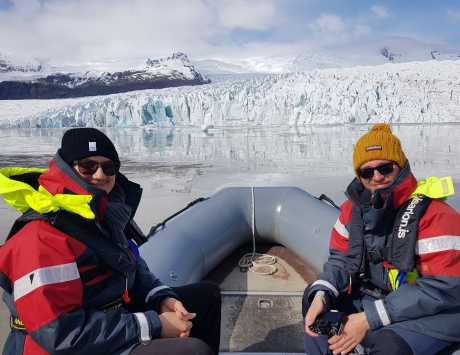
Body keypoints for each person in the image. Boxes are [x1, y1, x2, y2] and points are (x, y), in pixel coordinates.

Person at [0, 128, 221, 355]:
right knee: (192, 351)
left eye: (108, 167)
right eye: (87, 166)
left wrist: (162, 299)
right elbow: (59, 333)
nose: (100, 175)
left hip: (107, 321)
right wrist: (154, 324)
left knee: (207, 297)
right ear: (66, 168)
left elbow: (132, 269)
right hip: (64, 347)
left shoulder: (104, 214)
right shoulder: (41, 236)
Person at [302, 123, 460, 355]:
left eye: (385, 168)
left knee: (389, 345)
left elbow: (444, 288)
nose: (377, 177)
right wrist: (321, 294)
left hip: (435, 312)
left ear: (401, 166)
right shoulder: (350, 212)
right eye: (367, 172)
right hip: (378, 301)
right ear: (359, 176)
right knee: (318, 317)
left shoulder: (435, 214)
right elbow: (340, 261)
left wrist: (370, 319)